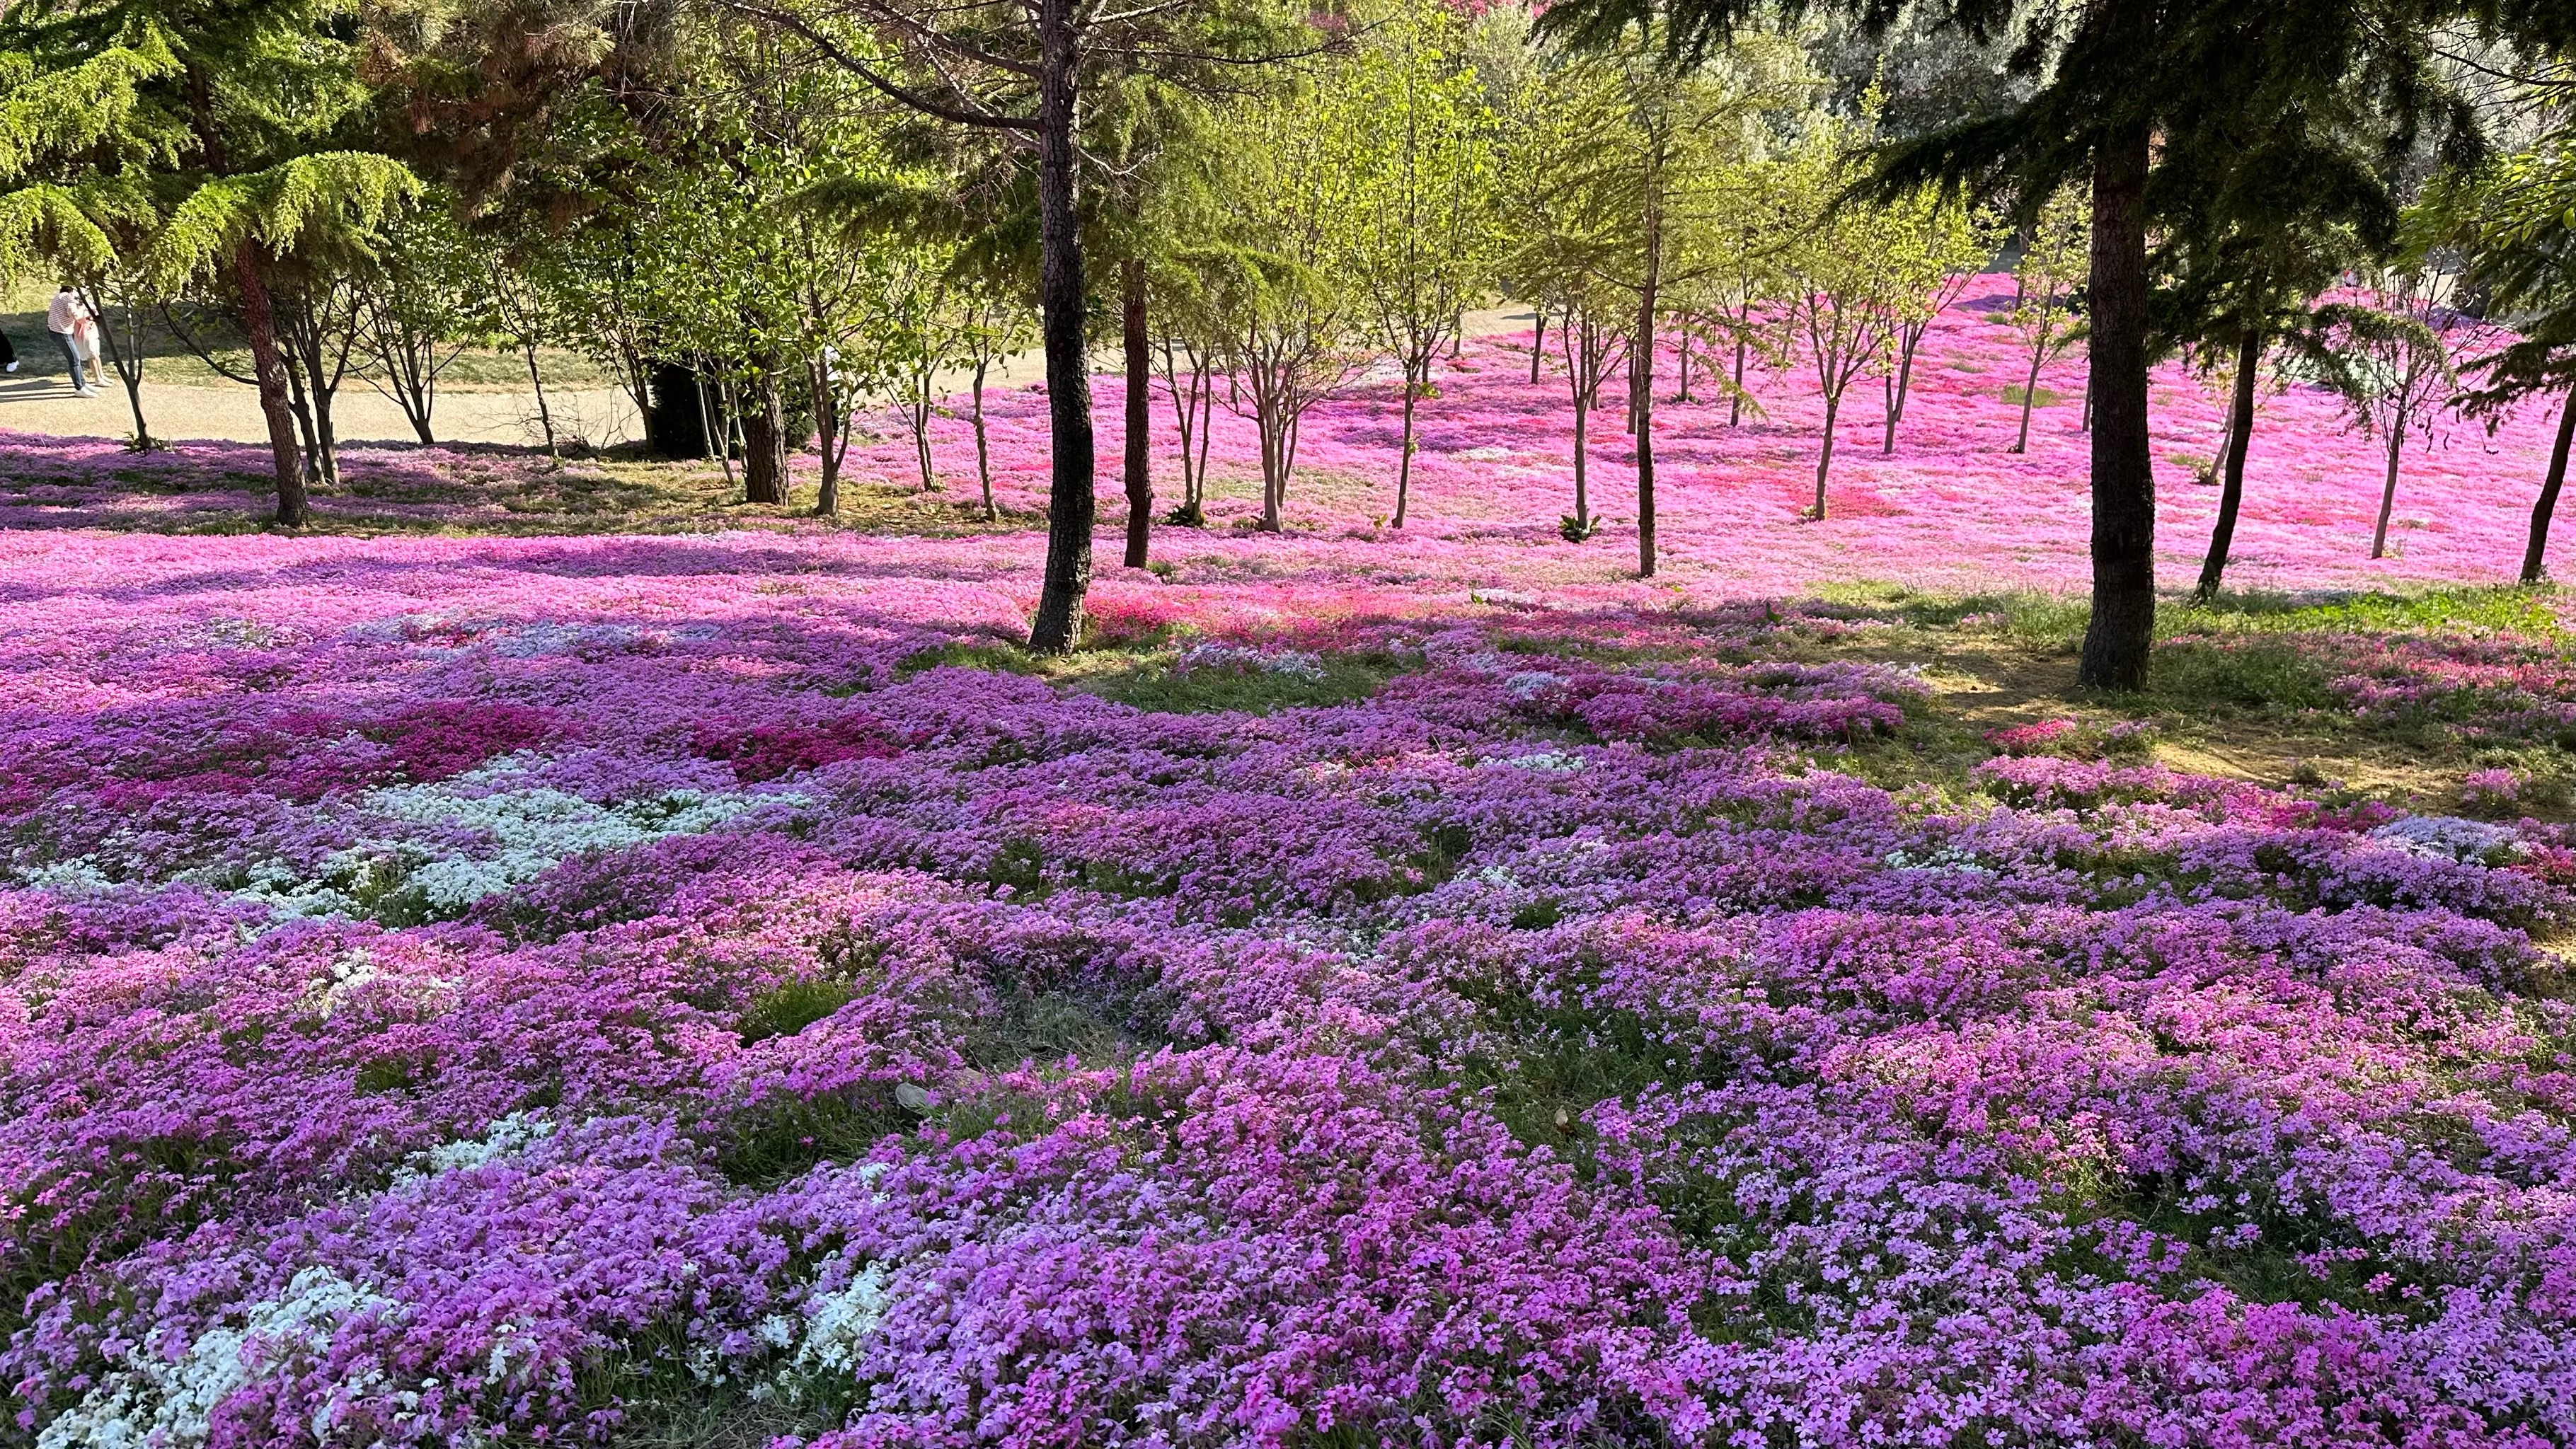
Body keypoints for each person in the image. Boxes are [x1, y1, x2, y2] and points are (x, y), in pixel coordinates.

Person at [46, 284, 96, 396]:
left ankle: (82, 383)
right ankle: (79, 388)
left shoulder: (62, 296)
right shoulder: (69, 298)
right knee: (74, 360)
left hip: (57, 331)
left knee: (75, 359)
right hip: (62, 333)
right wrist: (84, 309)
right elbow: (73, 314)